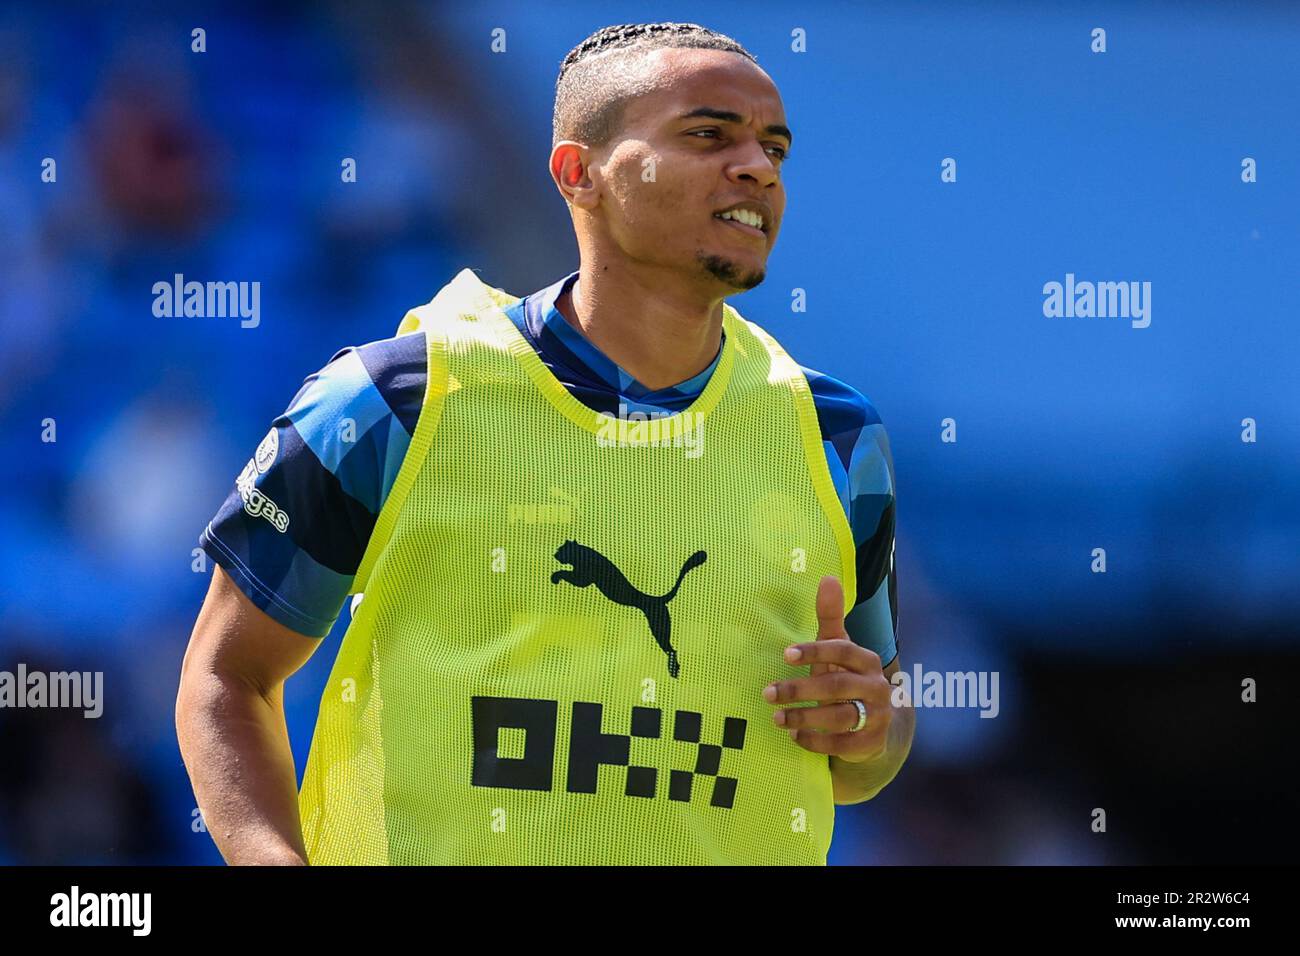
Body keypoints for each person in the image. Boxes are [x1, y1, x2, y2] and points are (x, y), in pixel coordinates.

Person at [176, 21, 913, 865]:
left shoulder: (837, 436)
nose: (756, 166)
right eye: (708, 134)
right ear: (579, 174)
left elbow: (871, 737)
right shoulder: (390, 404)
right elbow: (225, 678)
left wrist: (866, 726)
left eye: (773, 147)